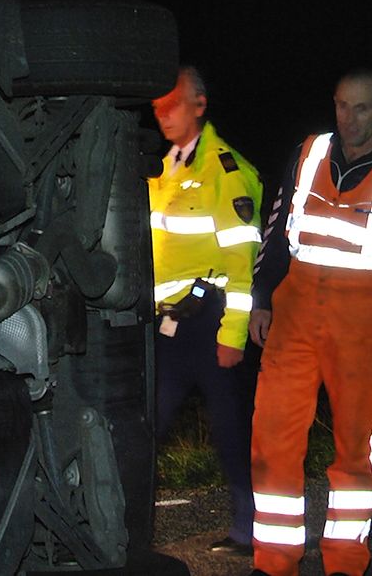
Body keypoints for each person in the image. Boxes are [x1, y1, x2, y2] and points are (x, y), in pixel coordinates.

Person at [247, 68, 372, 576]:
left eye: (362, 108)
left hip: (362, 326)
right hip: (295, 315)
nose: (349, 118)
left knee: (354, 450)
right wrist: (261, 297)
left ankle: (346, 563)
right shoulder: (308, 153)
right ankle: (274, 561)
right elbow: (276, 229)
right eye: (341, 106)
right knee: (272, 439)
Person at [149, 66, 263, 556]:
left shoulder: (225, 170)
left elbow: (243, 263)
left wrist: (233, 336)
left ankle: (248, 530)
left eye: (173, 103)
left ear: (199, 104)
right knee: (148, 425)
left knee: (229, 428)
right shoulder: (164, 170)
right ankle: (131, 530)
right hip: (167, 325)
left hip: (211, 322)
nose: (163, 114)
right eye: (157, 106)